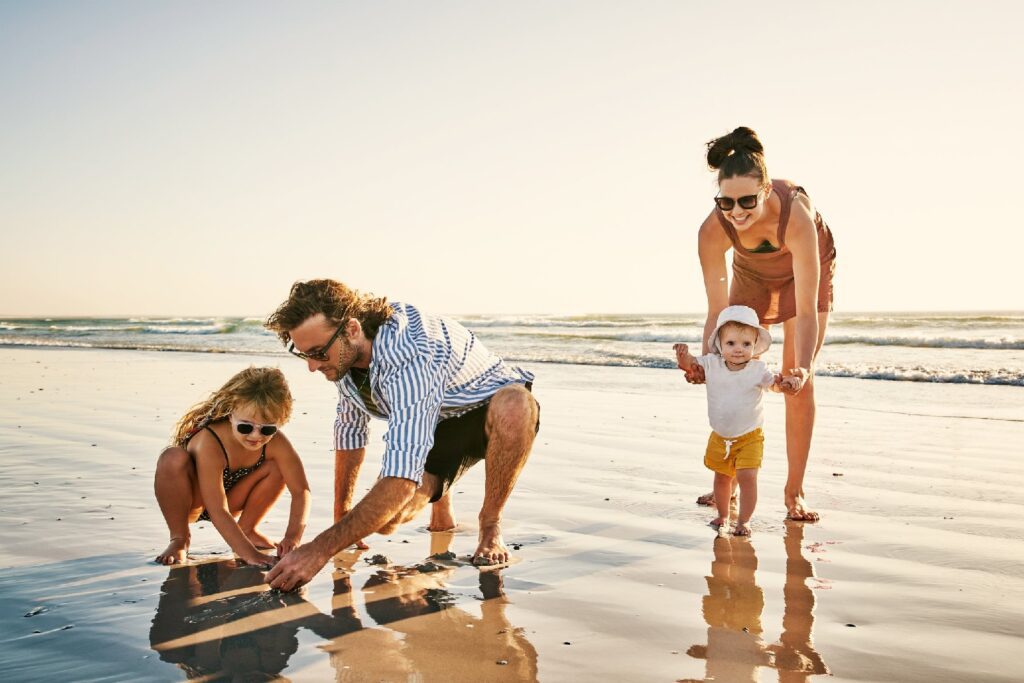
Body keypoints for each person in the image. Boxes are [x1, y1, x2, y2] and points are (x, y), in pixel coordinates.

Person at [263, 279, 540, 591]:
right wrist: (342, 518)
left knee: (515, 404)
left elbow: (400, 478)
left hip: (489, 405)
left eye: (318, 353)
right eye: (304, 355)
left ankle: (490, 524)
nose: (313, 366)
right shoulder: (342, 356)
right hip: (438, 421)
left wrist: (319, 549)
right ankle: (441, 506)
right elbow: (350, 430)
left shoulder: (411, 356)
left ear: (352, 329)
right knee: (389, 520)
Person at [684, 126, 837, 522]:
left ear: (766, 190)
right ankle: (728, 481)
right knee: (733, 366)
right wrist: (704, 363)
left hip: (808, 270)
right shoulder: (713, 230)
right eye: (726, 202)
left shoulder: (796, 217)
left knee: (795, 380)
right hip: (752, 274)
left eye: (747, 200)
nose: (736, 212)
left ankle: (795, 492)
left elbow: (804, 311)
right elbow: (718, 313)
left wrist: (802, 367)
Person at [153, 367, 312, 566]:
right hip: (194, 501)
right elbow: (218, 509)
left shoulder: (276, 442)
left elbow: (301, 490)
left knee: (279, 466)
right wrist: (252, 556)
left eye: (268, 428)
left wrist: (292, 538)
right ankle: (179, 539)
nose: (256, 436)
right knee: (172, 457)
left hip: (232, 499)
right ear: (231, 416)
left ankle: (248, 529)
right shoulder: (210, 441)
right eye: (245, 427)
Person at [674, 305, 790, 535]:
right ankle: (723, 516)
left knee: (747, 477)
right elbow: (691, 364)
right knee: (721, 479)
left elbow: (773, 384)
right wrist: (683, 355)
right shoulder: (711, 363)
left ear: (755, 345)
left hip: (749, 436)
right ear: (720, 344)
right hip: (720, 436)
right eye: (731, 344)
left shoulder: (757, 369)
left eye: (746, 344)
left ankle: (744, 521)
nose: (739, 349)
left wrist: (784, 384)